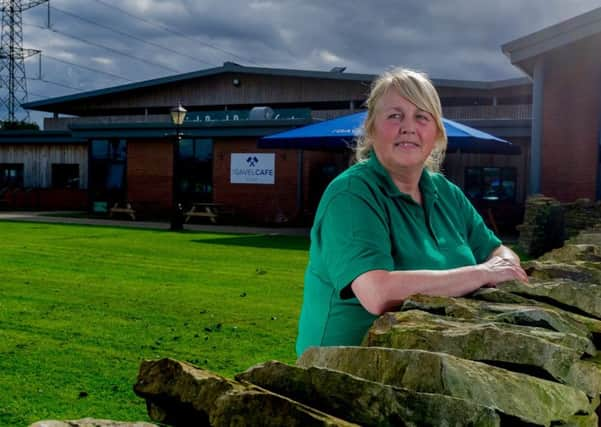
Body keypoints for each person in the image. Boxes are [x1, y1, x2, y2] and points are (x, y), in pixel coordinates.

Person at [295, 67, 528, 357]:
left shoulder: (446, 193)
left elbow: (502, 255)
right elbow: (378, 293)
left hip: (424, 361)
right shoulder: (351, 194)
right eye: (395, 115)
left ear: (437, 133)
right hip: (344, 372)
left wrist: (496, 267)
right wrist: (479, 274)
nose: (409, 127)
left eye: (421, 117)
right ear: (371, 128)